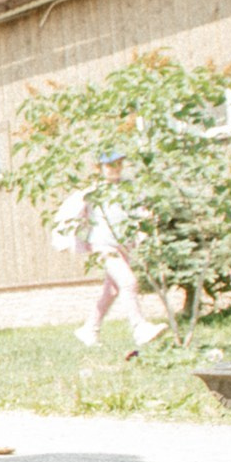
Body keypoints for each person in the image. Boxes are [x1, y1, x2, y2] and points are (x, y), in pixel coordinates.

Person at [49, 149, 165, 348]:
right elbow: (67, 215)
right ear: (99, 168)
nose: (116, 169)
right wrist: (62, 240)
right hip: (103, 245)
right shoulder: (93, 192)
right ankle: (139, 328)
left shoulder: (129, 189)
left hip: (123, 246)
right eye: (110, 165)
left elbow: (140, 212)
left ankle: (89, 329)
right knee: (128, 282)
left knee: (111, 290)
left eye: (119, 164)